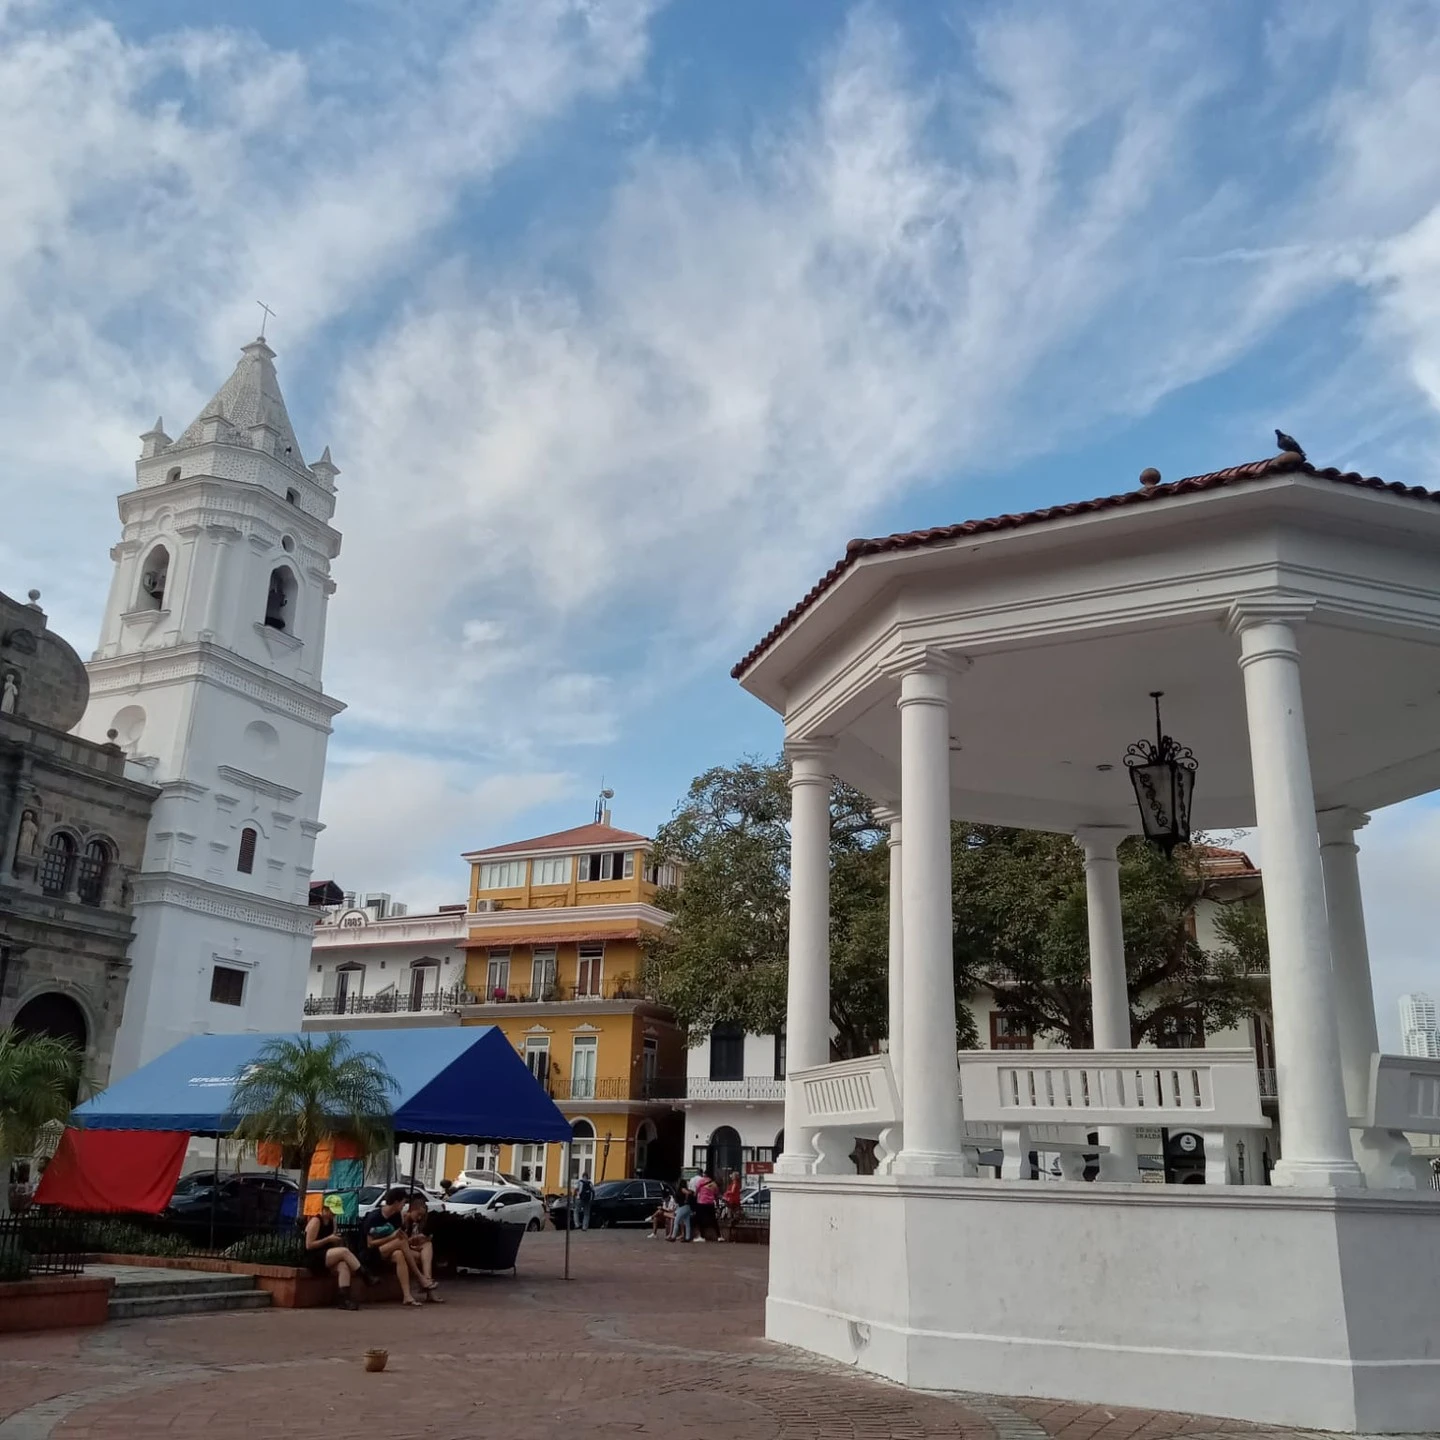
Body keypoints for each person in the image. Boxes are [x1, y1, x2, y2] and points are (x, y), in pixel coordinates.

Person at [360, 1186, 432, 1306]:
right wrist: (392, 1237)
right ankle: (421, 1278)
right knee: (400, 1242)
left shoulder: (396, 1217)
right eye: (403, 1203)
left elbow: (400, 1237)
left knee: (400, 1254)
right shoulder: (374, 1217)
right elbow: (370, 1243)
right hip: (370, 1253)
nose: (404, 1206)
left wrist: (413, 1241)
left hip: (390, 1250)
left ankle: (407, 1295)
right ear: (396, 1202)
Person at [305, 1194, 362, 1309]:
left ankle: (344, 1298)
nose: (334, 1214)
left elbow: (333, 1242)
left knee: (343, 1265)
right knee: (344, 1252)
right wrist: (328, 1239)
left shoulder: (332, 1222)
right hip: (314, 1256)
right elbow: (309, 1245)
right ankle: (364, 1273)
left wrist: (337, 1240)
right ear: (325, 1209)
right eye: (332, 1211)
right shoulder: (316, 1221)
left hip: (327, 1254)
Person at [402, 1194, 443, 1302]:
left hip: (413, 1248)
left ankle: (427, 1280)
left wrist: (423, 1238)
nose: (419, 1218)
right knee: (423, 1255)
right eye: (418, 1214)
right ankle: (429, 1285)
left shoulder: (421, 1223)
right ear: (411, 1210)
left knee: (428, 1245)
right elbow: (401, 1240)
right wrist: (411, 1239)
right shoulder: (403, 1220)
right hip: (403, 1248)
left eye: (422, 1216)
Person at [691, 1170, 720, 1243]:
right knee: (713, 1219)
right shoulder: (714, 1184)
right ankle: (719, 1236)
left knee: (699, 1219)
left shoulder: (700, 1181)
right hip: (710, 1203)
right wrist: (717, 1205)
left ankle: (701, 1236)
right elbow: (716, 1196)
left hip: (701, 1202)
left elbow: (696, 1193)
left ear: (705, 1174)